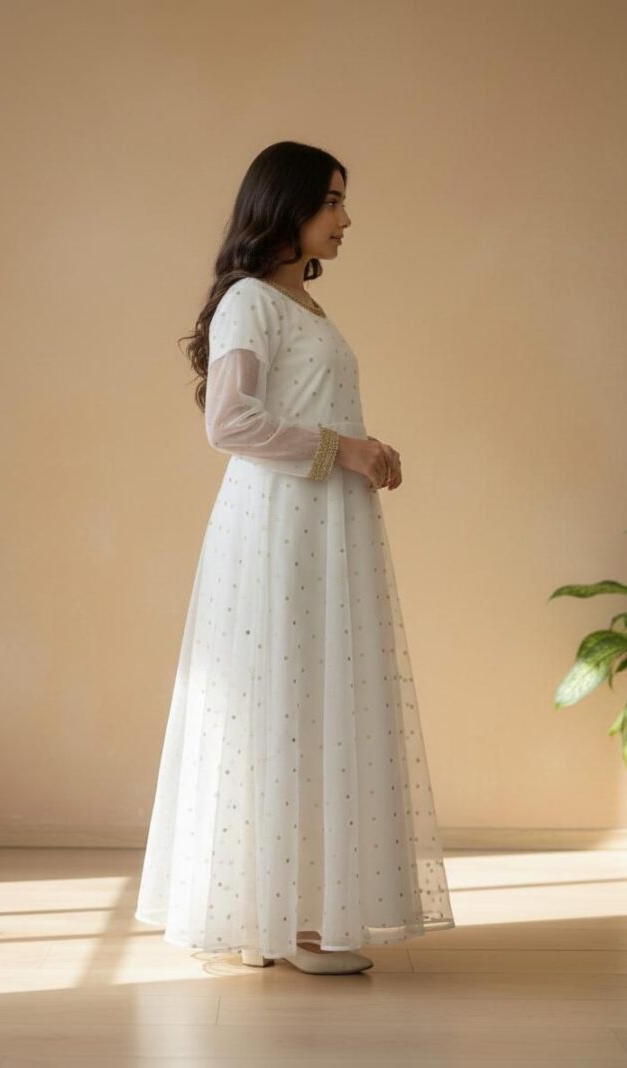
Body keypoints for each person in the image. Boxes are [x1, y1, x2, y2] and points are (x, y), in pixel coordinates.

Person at [135, 141, 455, 975]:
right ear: (289, 206)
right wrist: (347, 451)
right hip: (280, 530)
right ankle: (284, 923)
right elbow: (229, 423)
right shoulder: (250, 301)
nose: (346, 219)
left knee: (308, 704)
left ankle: (286, 914)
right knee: (280, 702)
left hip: (319, 527)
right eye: (333, 202)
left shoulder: (301, 305)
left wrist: (362, 452)